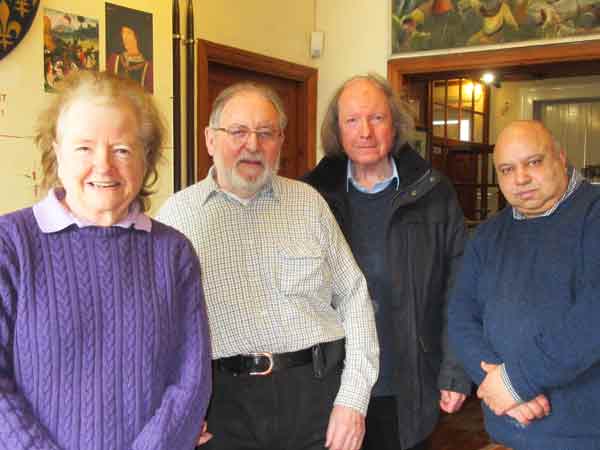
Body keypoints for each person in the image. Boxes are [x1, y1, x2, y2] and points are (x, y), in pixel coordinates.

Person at [157, 82, 379, 450]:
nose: (253, 145)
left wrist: (353, 399)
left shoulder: (309, 204)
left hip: (315, 396)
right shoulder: (177, 217)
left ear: (280, 141)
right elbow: (159, 327)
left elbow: (355, 298)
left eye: (266, 133)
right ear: (210, 140)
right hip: (220, 406)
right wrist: (178, 409)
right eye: (238, 132)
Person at [0, 71, 211, 450]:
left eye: (122, 149)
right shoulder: (10, 244)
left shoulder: (173, 252)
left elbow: (192, 379)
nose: (104, 166)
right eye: (84, 148)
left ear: (145, 158)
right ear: (56, 151)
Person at [302, 73, 471, 450]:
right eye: (352, 120)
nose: (365, 131)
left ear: (395, 124)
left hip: (407, 382)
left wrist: (455, 369)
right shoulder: (310, 195)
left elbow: (460, 290)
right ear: (337, 130)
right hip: (331, 385)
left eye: (377, 118)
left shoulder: (433, 192)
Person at [448, 120, 600, 450]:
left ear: (561, 157)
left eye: (534, 162)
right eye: (506, 169)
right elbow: (461, 318)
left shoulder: (594, 215)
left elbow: (593, 318)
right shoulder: (488, 236)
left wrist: (517, 381)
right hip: (506, 427)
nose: (521, 178)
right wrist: (497, 385)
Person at [107, 25, 153, 93]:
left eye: (128, 33)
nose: (124, 37)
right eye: (123, 33)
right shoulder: (114, 60)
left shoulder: (149, 67)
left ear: (137, 36)